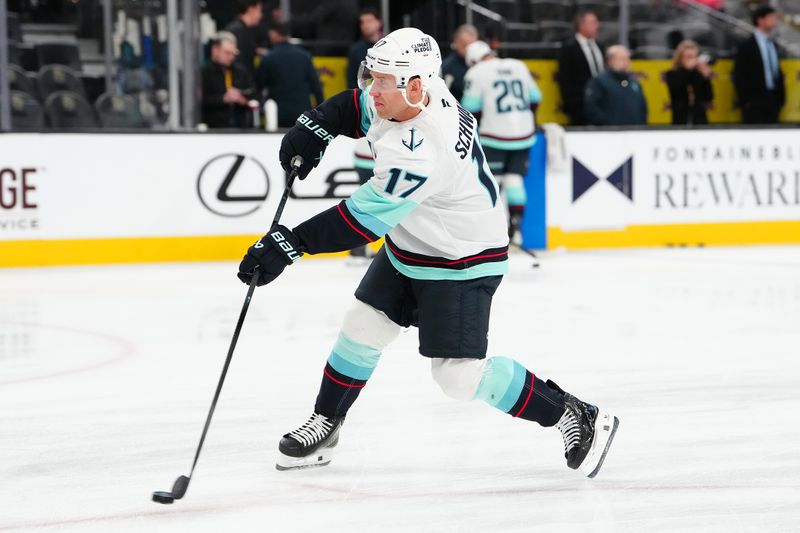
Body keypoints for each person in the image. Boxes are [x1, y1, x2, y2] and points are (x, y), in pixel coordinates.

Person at [237, 27, 619, 477]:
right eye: (371, 76)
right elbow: (353, 106)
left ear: (416, 86)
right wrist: (317, 122)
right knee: (361, 327)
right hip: (415, 243)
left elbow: (359, 220)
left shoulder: (419, 150)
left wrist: (289, 243)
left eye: (381, 82)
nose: (371, 90)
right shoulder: (413, 91)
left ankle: (575, 415)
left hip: (462, 258)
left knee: (458, 376)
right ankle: (328, 420)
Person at [461, 40, 541, 243]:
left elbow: (470, 109)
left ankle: (492, 230)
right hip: (524, 134)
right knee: (515, 179)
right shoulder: (518, 65)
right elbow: (535, 98)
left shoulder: (476, 72)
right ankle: (516, 229)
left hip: (494, 135)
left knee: (492, 181)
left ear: (473, 60)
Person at [346, 8, 384, 260]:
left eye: (368, 20)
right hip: (370, 148)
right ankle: (358, 244)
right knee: (373, 197)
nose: (364, 25)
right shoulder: (356, 51)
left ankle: (359, 245)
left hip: (374, 148)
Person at [256, 22, 324, 128]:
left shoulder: (268, 59)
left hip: (278, 114)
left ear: (273, 34)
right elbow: (316, 86)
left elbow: (259, 86)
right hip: (303, 112)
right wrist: (321, 113)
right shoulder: (304, 56)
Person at [733, 5, 785, 124]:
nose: (774, 20)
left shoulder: (773, 44)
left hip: (773, 99)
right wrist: (745, 101)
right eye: (771, 17)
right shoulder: (746, 46)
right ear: (760, 20)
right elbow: (739, 74)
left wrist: (780, 99)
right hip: (754, 101)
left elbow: (776, 71)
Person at [558, 11, 604, 126]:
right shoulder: (569, 47)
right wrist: (571, 104)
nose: (597, 26)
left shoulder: (600, 45)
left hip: (602, 102)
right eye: (593, 23)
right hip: (579, 104)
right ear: (581, 25)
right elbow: (565, 79)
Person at [201, 32, 256, 129]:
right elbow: (199, 101)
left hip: (241, 127)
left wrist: (243, 99)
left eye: (233, 54)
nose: (231, 57)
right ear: (215, 50)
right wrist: (223, 99)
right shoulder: (204, 72)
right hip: (213, 129)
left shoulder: (241, 71)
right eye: (227, 53)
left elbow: (254, 94)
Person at [584, 45, 647, 126]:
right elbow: (592, 108)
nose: (626, 62)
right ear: (610, 61)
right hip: (609, 133)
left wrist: (640, 125)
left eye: (628, 58)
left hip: (634, 132)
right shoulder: (599, 82)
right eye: (622, 59)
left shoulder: (634, 82)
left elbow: (642, 107)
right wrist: (607, 125)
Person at [665, 40, 713, 126]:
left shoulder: (698, 73)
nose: (693, 60)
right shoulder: (672, 73)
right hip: (681, 119)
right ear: (680, 57)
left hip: (699, 120)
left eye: (694, 57)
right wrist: (688, 69)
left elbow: (709, 97)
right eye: (689, 57)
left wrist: (706, 78)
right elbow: (676, 88)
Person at [224, 0, 264, 80]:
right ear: (251, 9)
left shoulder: (247, 30)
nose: (261, 16)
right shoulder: (237, 30)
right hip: (239, 84)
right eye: (260, 11)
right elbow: (238, 61)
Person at [441, 24, 479, 102]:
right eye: (464, 45)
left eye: (471, 46)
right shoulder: (447, 67)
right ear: (456, 42)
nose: (468, 49)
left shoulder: (481, 64)